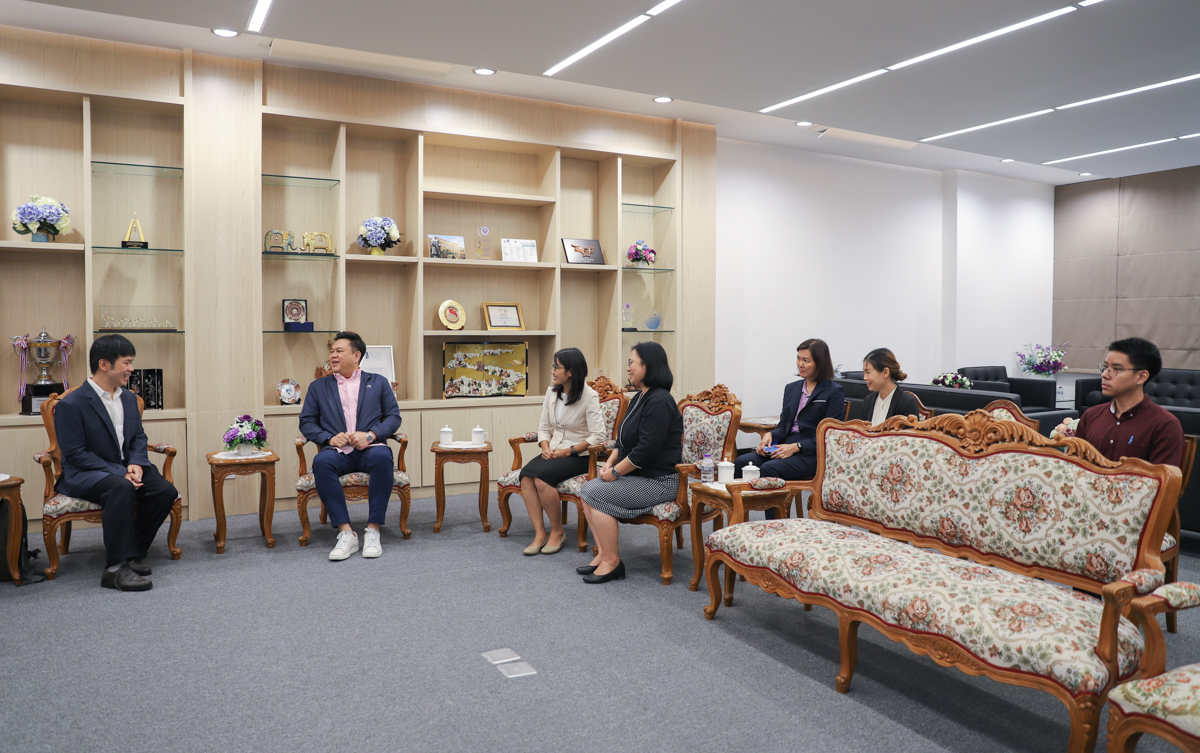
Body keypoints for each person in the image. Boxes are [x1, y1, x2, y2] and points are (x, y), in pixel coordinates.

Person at [53, 334, 179, 591]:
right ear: (104, 364)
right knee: (121, 487)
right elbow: (75, 454)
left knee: (164, 491)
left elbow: (139, 437)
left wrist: (137, 463)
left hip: (125, 468)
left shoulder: (129, 398)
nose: (131, 369)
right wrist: (120, 472)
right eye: (127, 363)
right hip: (86, 472)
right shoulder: (72, 404)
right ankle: (114, 569)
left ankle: (132, 554)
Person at [577, 342, 683, 583]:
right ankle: (603, 554)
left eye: (631, 362)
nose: (628, 368)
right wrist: (610, 463)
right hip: (638, 474)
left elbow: (645, 451)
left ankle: (612, 562)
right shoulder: (640, 397)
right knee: (586, 490)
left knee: (595, 494)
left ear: (648, 366)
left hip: (659, 481)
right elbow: (623, 440)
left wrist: (615, 472)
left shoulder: (660, 400)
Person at [299, 331, 402, 561]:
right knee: (321, 462)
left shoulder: (378, 382)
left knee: (383, 456)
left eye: (339, 351)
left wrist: (371, 435)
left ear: (356, 356)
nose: (333, 356)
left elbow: (394, 417)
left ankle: (373, 530)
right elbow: (306, 422)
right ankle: (346, 533)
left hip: (370, 449)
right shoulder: (318, 387)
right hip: (338, 452)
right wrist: (328, 438)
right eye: (332, 351)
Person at [734, 338, 845, 517]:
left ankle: (774, 524)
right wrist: (771, 436)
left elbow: (830, 436)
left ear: (820, 362)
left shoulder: (833, 391)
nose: (800, 364)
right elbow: (784, 425)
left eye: (806, 360)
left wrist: (797, 447)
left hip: (812, 454)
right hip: (785, 446)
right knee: (741, 462)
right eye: (798, 359)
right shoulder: (792, 388)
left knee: (770, 469)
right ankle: (740, 518)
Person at [518, 348, 606, 556]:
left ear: (571, 371)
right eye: (553, 366)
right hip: (553, 450)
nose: (552, 371)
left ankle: (557, 532)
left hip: (579, 455)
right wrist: (545, 447)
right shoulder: (552, 392)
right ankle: (540, 533)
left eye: (556, 367)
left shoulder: (589, 396)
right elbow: (543, 427)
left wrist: (568, 451)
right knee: (526, 476)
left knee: (541, 479)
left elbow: (598, 435)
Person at [1076, 337, 1184, 467]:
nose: (1104, 374)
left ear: (1141, 377)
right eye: (1105, 367)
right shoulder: (1091, 415)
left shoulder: (1164, 425)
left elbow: (1161, 477)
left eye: (1116, 369)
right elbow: (1075, 466)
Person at [856, 348, 921, 424]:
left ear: (885, 372)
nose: (865, 378)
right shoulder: (868, 401)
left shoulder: (907, 403)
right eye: (864, 372)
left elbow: (908, 431)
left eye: (868, 372)